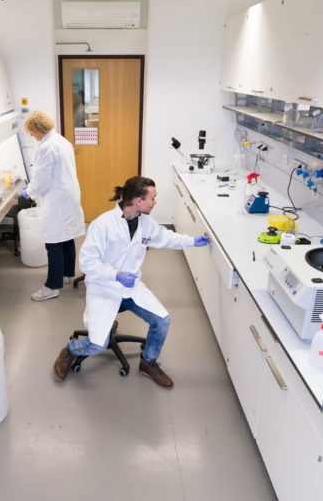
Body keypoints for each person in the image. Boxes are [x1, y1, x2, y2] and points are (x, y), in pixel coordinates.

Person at [52, 176, 209, 388]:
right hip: (104, 286)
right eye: (152, 198)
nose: (155, 202)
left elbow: (165, 237)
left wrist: (191, 241)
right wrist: (115, 275)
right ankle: (71, 350)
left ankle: (148, 362)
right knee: (98, 344)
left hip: (131, 287)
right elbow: (87, 263)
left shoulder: (145, 223)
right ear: (137, 200)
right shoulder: (103, 224)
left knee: (162, 320)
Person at [22, 111, 85, 301]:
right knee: (66, 237)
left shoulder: (46, 147)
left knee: (54, 242)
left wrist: (29, 192)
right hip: (68, 194)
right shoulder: (61, 141)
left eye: (31, 132)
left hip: (58, 199)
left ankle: (52, 287)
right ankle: (66, 274)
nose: (31, 136)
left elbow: (41, 179)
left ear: (37, 130)